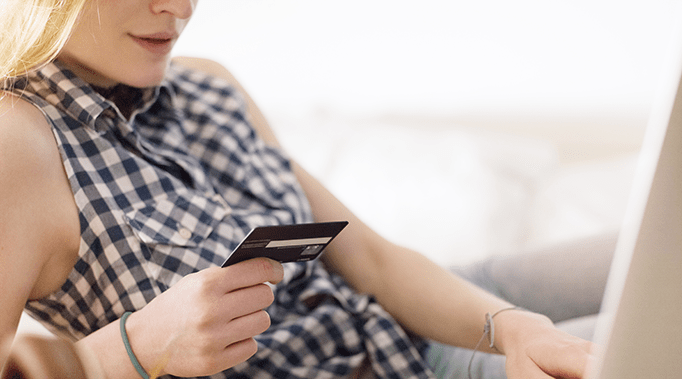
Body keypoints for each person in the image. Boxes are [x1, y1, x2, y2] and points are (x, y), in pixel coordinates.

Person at [0, 1, 603, 378]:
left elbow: (370, 259)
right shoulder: (17, 143)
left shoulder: (207, 84)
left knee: (657, 250)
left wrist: (515, 327)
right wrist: (136, 348)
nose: (180, 7)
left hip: (415, 302)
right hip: (397, 364)